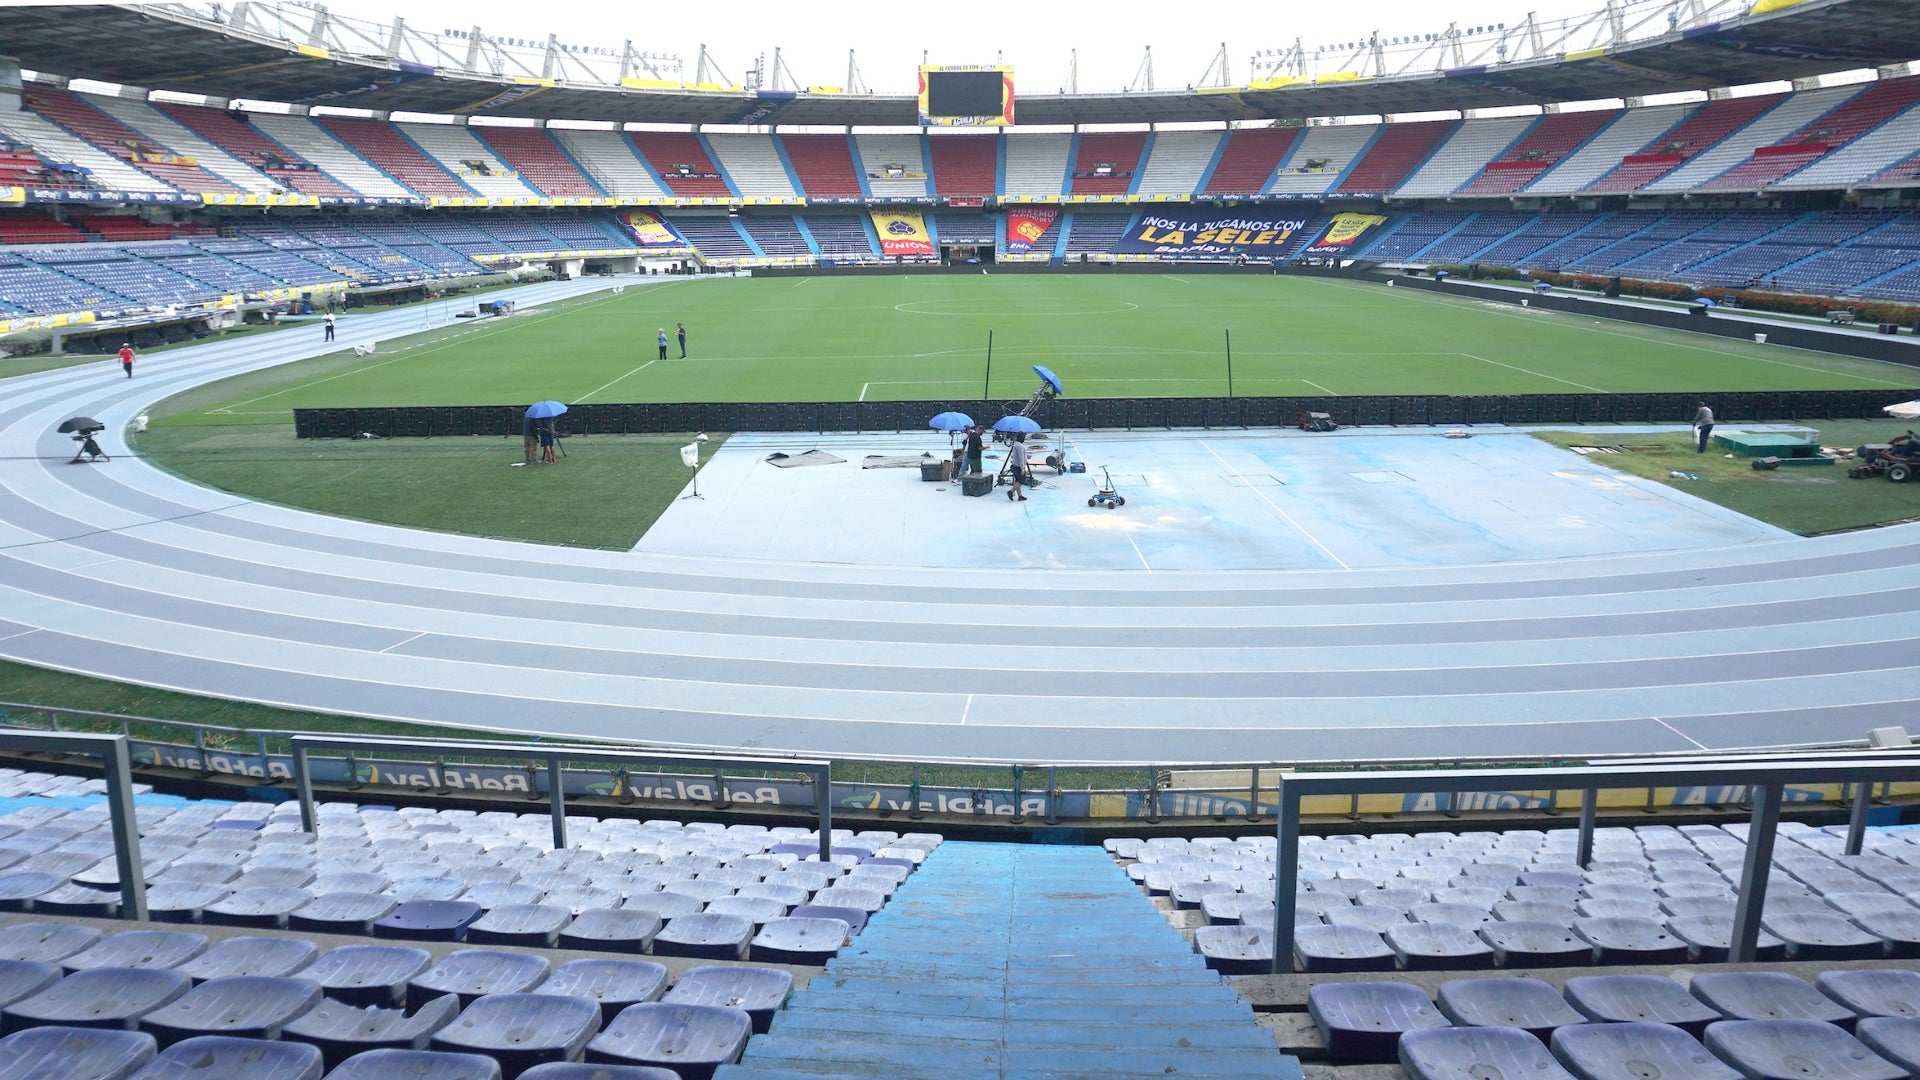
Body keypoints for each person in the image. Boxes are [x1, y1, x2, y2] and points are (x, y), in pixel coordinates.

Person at [1006, 434, 1031, 502]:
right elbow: (1020, 457)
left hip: (1015, 465)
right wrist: (1022, 468)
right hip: (1018, 466)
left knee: (1017, 481)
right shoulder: (1020, 446)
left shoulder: (1015, 444)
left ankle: (1020, 496)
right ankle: (1011, 491)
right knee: (1021, 480)